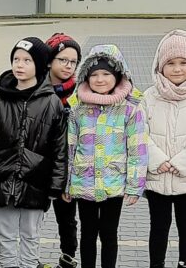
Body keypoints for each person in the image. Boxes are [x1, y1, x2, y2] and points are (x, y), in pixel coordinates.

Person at [0, 37, 67, 268]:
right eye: (16, 59)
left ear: (40, 64)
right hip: (3, 178)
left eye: (27, 60)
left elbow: (59, 148)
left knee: (30, 237)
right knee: (4, 237)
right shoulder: (0, 100)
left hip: (36, 181)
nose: (20, 65)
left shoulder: (52, 103)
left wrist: (57, 183)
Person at [65, 44, 148, 268]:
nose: (100, 79)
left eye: (106, 74)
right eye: (94, 75)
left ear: (117, 75)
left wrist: (134, 185)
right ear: (86, 77)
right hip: (84, 182)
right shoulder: (77, 106)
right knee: (88, 233)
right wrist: (66, 183)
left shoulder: (130, 108)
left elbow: (138, 149)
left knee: (109, 233)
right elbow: (69, 147)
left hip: (114, 182)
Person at [143, 29, 186, 268]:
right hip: (158, 177)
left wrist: (183, 161)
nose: (177, 69)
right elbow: (139, 133)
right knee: (159, 227)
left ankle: (185, 263)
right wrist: (157, 159)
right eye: (171, 63)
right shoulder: (149, 97)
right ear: (160, 66)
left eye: (184, 63)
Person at [44, 33, 82, 268]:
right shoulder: (35, 88)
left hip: (69, 167)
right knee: (32, 218)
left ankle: (68, 258)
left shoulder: (81, 92)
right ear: (49, 60)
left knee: (67, 219)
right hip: (40, 164)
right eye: (63, 60)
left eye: (73, 61)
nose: (68, 66)